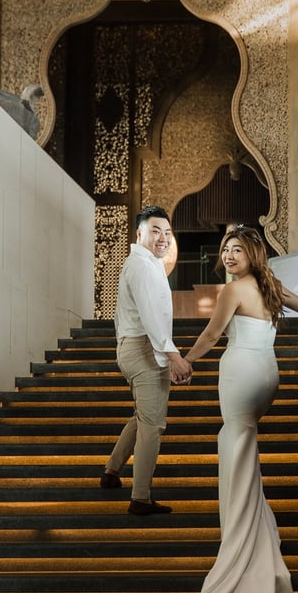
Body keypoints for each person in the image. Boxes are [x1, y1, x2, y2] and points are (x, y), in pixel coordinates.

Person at [173, 224, 298, 593]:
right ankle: (252, 538)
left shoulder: (233, 290)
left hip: (241, 373)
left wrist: (186, 361)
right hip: (267, 373)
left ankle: (241, 548)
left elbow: (213, 333)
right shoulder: (270, 287)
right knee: (242, 447)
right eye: (226, 249)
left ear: (253, 253)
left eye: (237, 249)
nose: (230, 255)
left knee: (236, 447)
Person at [101, 205, 192, 516]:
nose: (163, 238)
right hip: (143, 349)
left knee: (143, 416)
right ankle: (140, 498)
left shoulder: (146, 263)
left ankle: (112, 471)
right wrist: (174, 356)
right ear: (139, 233)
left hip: (134, 347)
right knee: (153, 425)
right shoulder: (142, 266)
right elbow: (153, 318)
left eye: (167, 232)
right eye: (155, 231)